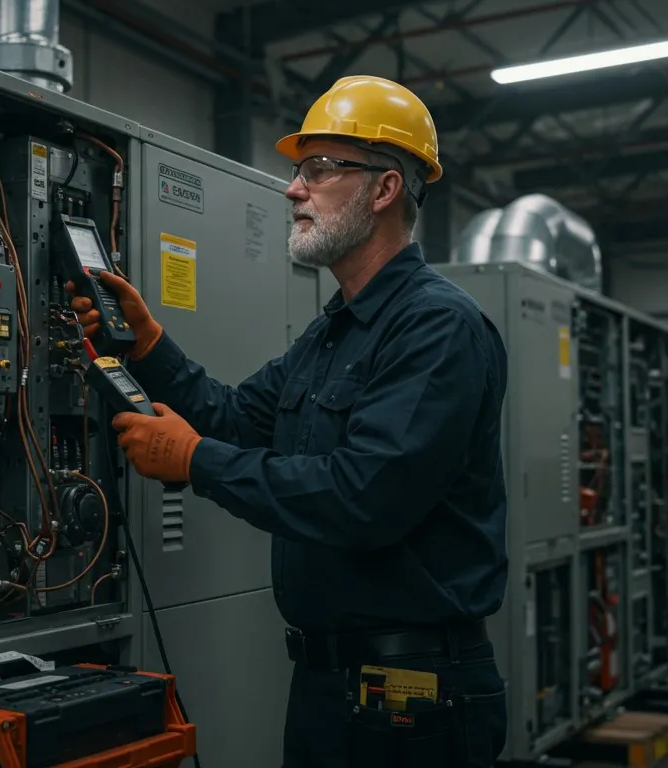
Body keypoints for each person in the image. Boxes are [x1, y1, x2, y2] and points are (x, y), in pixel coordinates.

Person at [67, 75, 509, 767]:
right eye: (299, 170)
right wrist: (149, 345)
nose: (293, 189)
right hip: (329, 684)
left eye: (320, 168)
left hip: (411, 694)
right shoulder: (335, 330)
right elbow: (235, 416)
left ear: (386, 188)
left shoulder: (437, 327)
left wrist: (194, 462)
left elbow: (364, 498)